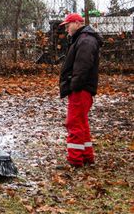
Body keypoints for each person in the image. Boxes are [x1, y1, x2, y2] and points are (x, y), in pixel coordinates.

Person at [58, 13, 103, 168]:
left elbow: (82, 67)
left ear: (77, 23)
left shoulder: (85, 40)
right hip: (82, 89)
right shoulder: (85, 39)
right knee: (82, 123)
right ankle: (86, 156)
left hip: (80, 89)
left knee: (74, 123)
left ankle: (75, 160)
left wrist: (73, 86)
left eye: (68, 25)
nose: (66, 29)